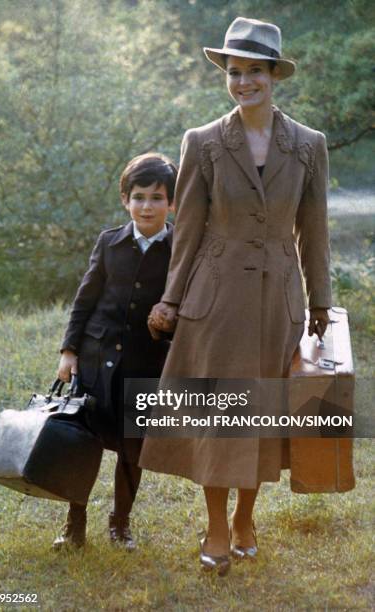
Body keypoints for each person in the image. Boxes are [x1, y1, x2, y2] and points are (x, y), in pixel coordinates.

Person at [141, 17, 331, 575]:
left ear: (275, 75)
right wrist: (172, 300)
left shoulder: (309, 145)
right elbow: (190, 231)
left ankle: (248, 516)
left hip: (280, 301)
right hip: (215, 301)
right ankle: (218, 524)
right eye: (234, 72)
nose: (243, 81)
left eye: (254, 71)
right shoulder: (202, 142)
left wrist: (319, 301)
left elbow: (313, 231)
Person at [54, 153, 177, 550]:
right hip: (96, 359)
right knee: (82, 442)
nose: (147, 206)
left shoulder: (180, 249)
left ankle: (120, 522)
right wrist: (69, 350)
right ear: (125, 199)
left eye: (157, 198)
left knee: (132, 446)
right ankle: (74, 523)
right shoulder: (109, 242)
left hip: (146, 363)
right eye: (138, 197)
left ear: (171, 203)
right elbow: (84, 300)